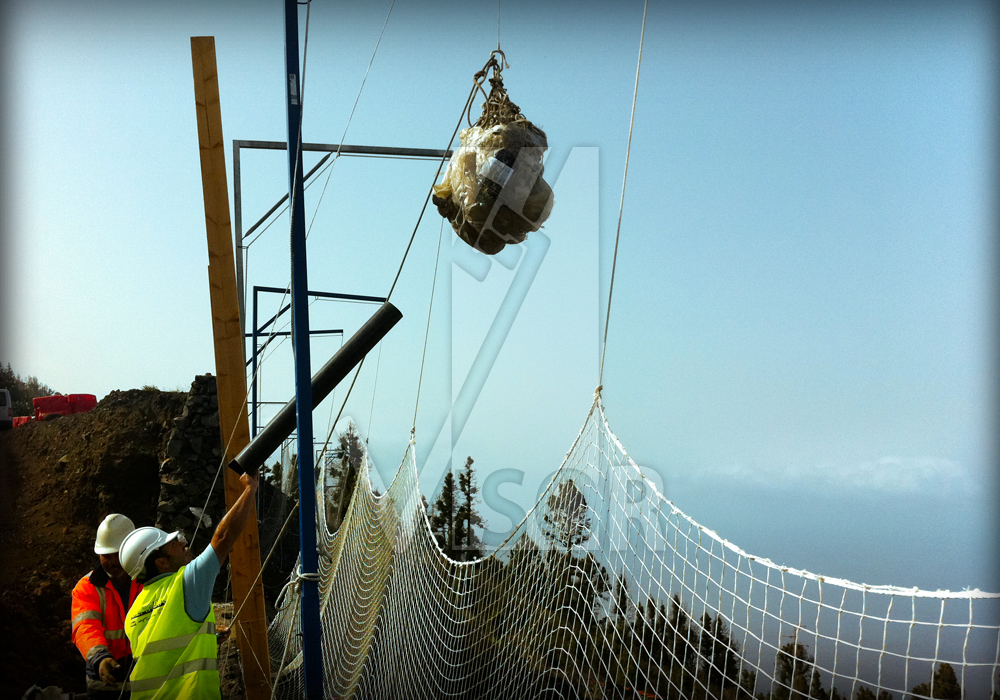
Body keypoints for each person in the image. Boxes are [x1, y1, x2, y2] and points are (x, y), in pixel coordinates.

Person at [119, 469, 258, 699]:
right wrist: (250, 489)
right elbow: (223, 537)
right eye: (172, 543)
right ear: (161, 562)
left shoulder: (132, 615)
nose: (182, 542)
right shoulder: (185, 582)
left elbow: (163, 656)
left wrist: (203, 637)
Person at [71, 513, 141, 699]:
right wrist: (99, 658)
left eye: (116, 554)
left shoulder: (147, 582)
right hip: (105, 684)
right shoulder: (87, 588)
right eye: (105, 555)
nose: (110, 562)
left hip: (145, 680)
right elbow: (85, 627)